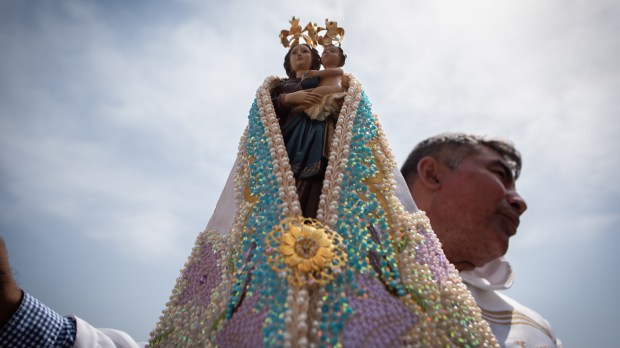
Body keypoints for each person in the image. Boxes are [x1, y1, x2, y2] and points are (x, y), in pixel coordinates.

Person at [0, 22, 500, 347]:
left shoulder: (513, 328)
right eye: (299, 54)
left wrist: (327, 80)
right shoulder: (282, 90)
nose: (305, 59)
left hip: (319, 146)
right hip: (299, 156)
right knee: (301, 189)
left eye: (312, 54)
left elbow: (336, 87)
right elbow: (294, 101)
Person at [401, 132, 563, 348]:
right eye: (499, 175)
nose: (520, 202)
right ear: (432, 174)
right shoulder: (346, 264)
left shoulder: (536, 330)